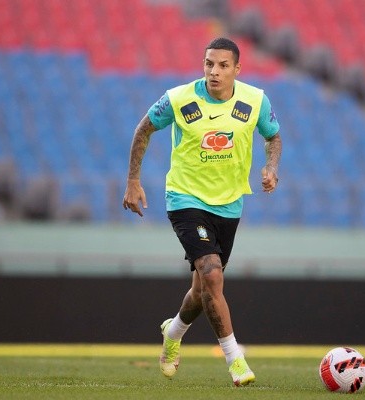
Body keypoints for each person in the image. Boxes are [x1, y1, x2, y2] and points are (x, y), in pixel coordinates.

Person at [122, 37, 282, 387]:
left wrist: (271, 167)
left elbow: (273, 136)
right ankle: (235, 359)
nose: (214, 71)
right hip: (185, 199)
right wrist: (133, 180)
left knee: (201, 291)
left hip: (230, 204)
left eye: (223, 65)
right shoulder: (179, 98)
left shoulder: (255, 100)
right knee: (212, 276)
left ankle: (173, 333)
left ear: (237, 69)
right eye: (209, 63)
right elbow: (143, 129)